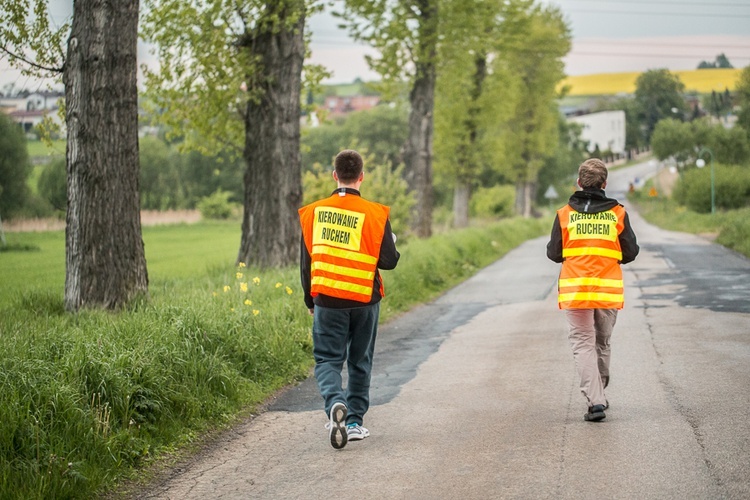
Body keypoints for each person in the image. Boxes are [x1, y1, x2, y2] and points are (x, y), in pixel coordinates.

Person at [298, 149, 400, 449]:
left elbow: (307, 262)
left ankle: (334, 404)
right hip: (365, 300)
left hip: (327, 300)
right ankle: (354, 422)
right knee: (360, 360)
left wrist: (309, 300)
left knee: (328, 359)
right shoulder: (376, 214)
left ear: (334, 175)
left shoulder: (313, 213)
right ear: (361, 176)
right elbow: (389, 261)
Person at [546, 158, 639, 422]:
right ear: (605, 184)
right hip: (607, 290)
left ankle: (596, 400)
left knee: (583, 343)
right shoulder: (618, 213)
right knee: (602, 342)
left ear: (579, 183)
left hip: (576, 290)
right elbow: (631, 252)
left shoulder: (564, 214)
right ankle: (599, 395)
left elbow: (554, 254)